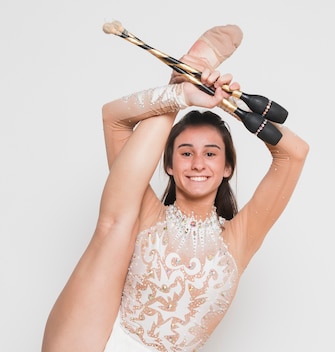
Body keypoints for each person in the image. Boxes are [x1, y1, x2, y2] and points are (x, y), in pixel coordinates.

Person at [42, 24, 309, 352]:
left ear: (227, 168)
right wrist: (183, 95)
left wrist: (233, 105)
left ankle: (185, 76)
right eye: (186, 153)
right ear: (168, 164)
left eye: (211, 153)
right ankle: (180, 83)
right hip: (94, 336)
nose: (198, 163)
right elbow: (113, 118)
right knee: (116, 226)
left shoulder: (238, 239)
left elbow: (295, 153)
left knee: (122, 221)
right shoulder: (149, 214)